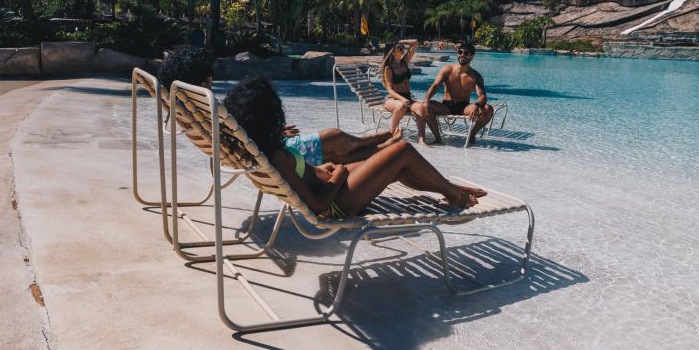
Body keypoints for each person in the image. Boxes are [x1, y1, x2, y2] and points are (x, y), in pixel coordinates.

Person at [223, 76, 487, 217]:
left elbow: (303, 177)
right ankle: (453, 195)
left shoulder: (259, 147)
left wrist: (322, 170)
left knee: (390, 160)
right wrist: (336, 176)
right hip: (338, 202)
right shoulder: (278, 156)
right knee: (402, 151)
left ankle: (448, 187)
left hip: (335, 188)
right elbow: (316, 206)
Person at [157, 46, 400, 165]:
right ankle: (379, 144)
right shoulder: (205, 103)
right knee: (334, 138)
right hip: (266, 154)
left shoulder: (189, 105)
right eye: (208, 74)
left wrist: (273, 132)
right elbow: (238, 137)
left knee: (335, 150)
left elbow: (235, 135)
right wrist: (272, 135)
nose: (211, 77)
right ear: (200, 77)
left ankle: (379, 145)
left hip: (255, 147)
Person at [415, 42, 495, 146]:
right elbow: (435, 85)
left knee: (488, 109)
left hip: (464, 107)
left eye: (466, 53)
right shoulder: (448, 69)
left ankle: (472, 134)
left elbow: (482, 96)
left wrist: (476, 105)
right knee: (426, 105)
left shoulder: (475, 76)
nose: (462, 55)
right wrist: (427, 99)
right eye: (460, 52)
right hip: (446, 106)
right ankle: (438, 138)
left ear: (472, 57)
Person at [381, 39, 424, 134]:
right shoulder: (388, 68)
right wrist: (402, 99)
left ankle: (422, 138)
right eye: (399, 47)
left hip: (407, 97)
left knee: (421, 107)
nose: (402, 48)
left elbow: (416, 42)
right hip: (393, 99)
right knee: (402, 106)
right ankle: (391, 133)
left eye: (402, 47)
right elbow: (389, 89)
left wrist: (400, 42)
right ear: (392, 52)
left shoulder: (404, 62)